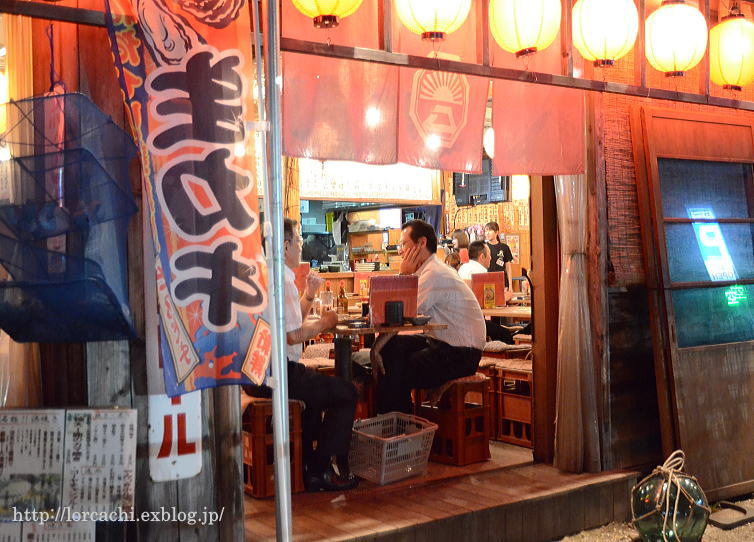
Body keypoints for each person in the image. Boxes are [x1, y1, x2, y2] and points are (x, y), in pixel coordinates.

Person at [243, 218, 358, 492]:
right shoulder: (281, 277)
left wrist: (308, 295)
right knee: (347, 393)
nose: (301, 247)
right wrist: (326, 323)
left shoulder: (261, 272)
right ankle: (320, 471)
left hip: (255, 372)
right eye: (298, 242)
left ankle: (307, 469)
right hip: (278, 374)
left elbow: (288, 326)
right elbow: (292, 336)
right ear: (284, 246)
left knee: (316, 395)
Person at [371, 220, 486, 414]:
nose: (400, 251)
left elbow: (402, 313)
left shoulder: (434, 273)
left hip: (461, 354)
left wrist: (403, 275)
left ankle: (397, 428)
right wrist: (377, 348)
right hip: (442, 344)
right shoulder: (427, 271)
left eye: (403, 244)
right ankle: (396, 421)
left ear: (421, 243)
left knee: (396, 369)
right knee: (392, 348)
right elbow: (396, 314)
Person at [484, 221, 514, 288]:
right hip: (487, 282)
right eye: (486, 231)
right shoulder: (483, 247)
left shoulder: (504, 247)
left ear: (496, 232)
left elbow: (508, 268)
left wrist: (510, 286)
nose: (487, 233)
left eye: (490, 230)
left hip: (502, 282)